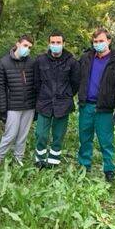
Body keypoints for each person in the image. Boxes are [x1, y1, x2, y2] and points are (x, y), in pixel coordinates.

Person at [77, 28, 115, 181]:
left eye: (101, 41)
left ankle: (109, 169)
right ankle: (84, 166)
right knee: (85, 138)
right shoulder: (86, 58)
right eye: (95, 41)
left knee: (106, 141)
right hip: (87, 106)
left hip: (104, 108)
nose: (98, 44)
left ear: (109, 41)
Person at [33, 31, 80, 169]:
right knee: (41, 134)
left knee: (58, 135)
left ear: (63, 44)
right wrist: (42, 94)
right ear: (49, 44)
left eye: (58, 43)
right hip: (44, 102)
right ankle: (40, 159)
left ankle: (53, 160)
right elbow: (36, 82)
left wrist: (66, 95)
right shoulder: (40, 60)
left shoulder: (72, 62)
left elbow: (75, 83)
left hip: (63, 104)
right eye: (53, 42)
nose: (55, 45)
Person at [0, 34, 36, 169]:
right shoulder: (4, 62)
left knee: (23, 135)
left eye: (29, 47)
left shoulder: (31, 62)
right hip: (12, 106)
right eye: (25, 45)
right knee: (10, 135)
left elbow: (36, 84)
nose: (27, 49)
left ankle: (18, 158)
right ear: (17, 44)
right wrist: (3, 110)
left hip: (29, 105)